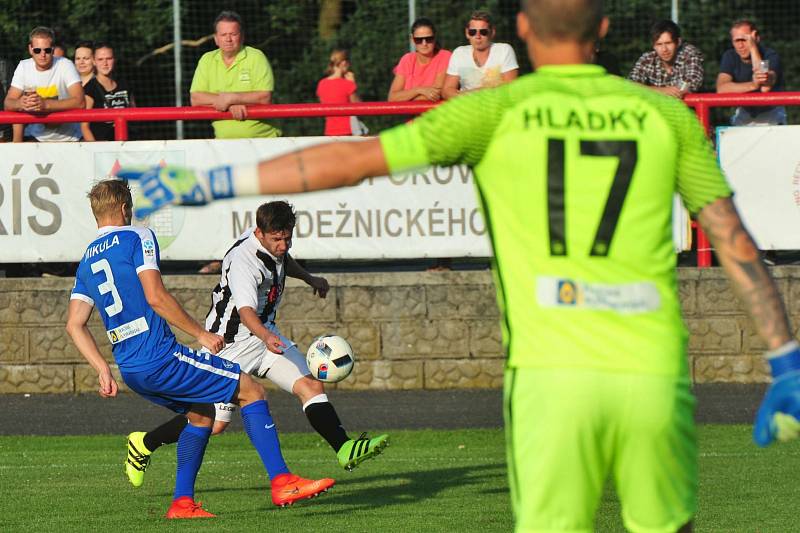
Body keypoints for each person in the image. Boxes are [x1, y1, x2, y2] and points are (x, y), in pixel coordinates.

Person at [120, 0, 800, 529]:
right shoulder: (665, 116)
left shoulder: (497, 109)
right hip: (651, 370)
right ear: (604, 28)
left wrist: (204, 185)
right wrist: (785, 357)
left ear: (525, 30)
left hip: (549, 378)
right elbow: (734, 240)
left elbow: (347, 159)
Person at [66, 180, 335, 518]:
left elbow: (74, 324)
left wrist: (102, 368)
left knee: (202, 414)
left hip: (130, 368)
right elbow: (156, 297)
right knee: (251, 391)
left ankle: (182, 503)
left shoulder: (85, 261)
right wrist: (201, 334)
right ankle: (282, 481)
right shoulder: (138, 236)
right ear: (124, 209)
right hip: (161, 356)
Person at [125, 200, 388, 488]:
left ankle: (344, 448)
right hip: (229, 345)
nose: (284, 245)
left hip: (265, 338)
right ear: (260, 233)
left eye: (288, 238)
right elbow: (246, 312)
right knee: (211, 421)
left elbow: (284, 261)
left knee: (310, 386)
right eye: (277, 239)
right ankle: (144, 443)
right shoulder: (243, 262)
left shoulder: (275, 245)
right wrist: (265, 335)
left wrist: (310, 278)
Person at [190, 10, 279, 139]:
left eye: (233, 34)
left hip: (263, 143)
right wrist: (229, 103)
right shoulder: (206, 59)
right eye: (223, 34)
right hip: (224, 144)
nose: (228, 39)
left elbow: (265, 97)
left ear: (242, 37)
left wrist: (233, 98)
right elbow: (196, 98)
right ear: (216, 39)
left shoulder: (256, 57)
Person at [3, 26, 84, 142]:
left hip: (71, 138)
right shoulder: (24, 66)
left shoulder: (65, 65)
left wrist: (45, 104)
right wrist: (21, 103)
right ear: (30, 49)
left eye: (47, 50)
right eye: (37, 50)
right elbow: (8, 103)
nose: (42, 54)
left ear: (53, 49)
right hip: (36, 137)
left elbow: (80, 102)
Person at [716, 19, 785, 126]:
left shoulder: (769, 55)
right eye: (736, 41)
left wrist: (753, 48)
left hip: (771, 114)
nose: (740, 46)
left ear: (756, 38)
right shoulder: (729, 55)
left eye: (744, 40)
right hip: (744, 113)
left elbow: (765, 87)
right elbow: (722, 89)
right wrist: (753, 85)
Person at [442, 10, 519, 99]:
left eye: (483, 32)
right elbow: (447, 91)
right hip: (467, 108)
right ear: (467, 33)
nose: (477, 36)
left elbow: (510, 88)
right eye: (472, 32)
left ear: (492, 32)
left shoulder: (504, 50)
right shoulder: (459, 53)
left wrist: (470, 94)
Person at [629, 20, 703, 98]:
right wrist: (662, 90)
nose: (664, 49)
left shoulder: (689, 53)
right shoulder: (647, 59)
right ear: (653, 46)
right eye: (659, 44)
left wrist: (649, 90)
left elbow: (690, 84)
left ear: (678, 42)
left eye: (668, 43)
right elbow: (630, 85)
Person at [388, 17, 452, 102]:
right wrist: (419, 90)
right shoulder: (407, 60)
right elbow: (392, 98)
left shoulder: (445, 56)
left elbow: (437, 94)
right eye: (419, 40)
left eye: (429, 39)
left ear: (435, 38)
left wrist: (406, 97)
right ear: (412, 39)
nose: (424, 43)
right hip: (413, 115)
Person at [81, 43, 134, 141]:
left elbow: (134, 113)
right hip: (103, 144)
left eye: (109, 58)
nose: (105, 63)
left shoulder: (125, 84)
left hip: (127, 142)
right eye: (100, 59)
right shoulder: (90, 89)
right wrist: (97, 150)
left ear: (114, 59)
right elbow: (84, 127)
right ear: (94, 61)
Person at [316, 49, 362, 136]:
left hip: (329, 131)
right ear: (344, 63)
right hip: (348, 131)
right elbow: (359, 108)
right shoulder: (348, 84)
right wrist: (352, 84)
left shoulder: (321, 84)